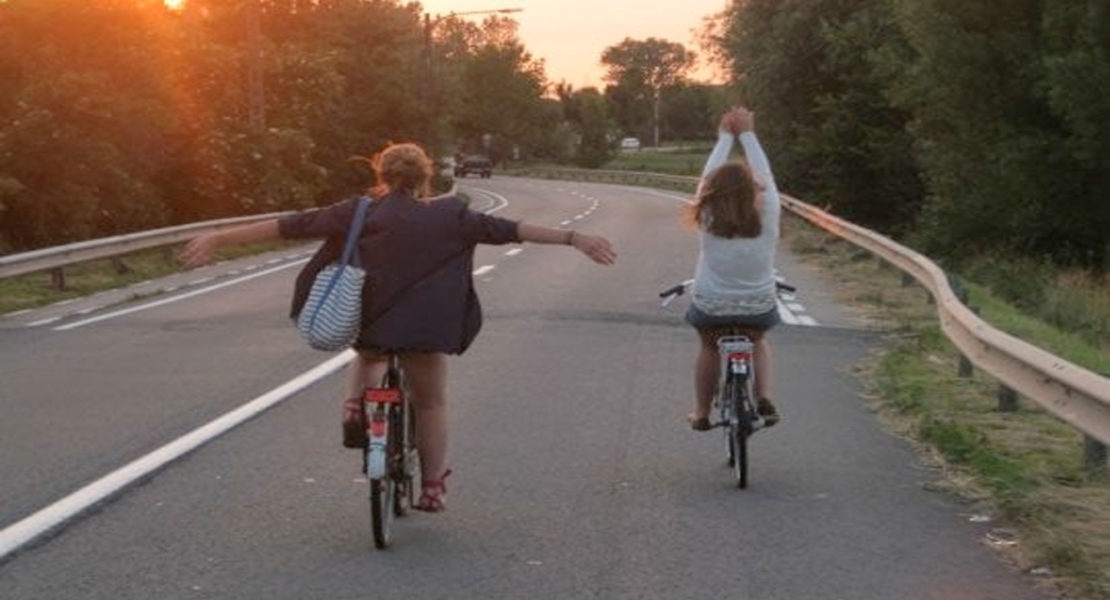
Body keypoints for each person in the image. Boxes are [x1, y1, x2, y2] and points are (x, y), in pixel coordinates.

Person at [180, 142, 616, 511]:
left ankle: (355, 406)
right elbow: (513, 230)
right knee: (430, 403)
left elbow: (287, 226)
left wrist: (218, 238)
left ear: (382, 174)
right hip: (426, 329)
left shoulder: (357, 212)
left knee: (367, 352)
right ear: (425, 176)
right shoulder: (453, 215)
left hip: (373, 323)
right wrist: (574, 238)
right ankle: (432, 488)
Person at [684, 107, 781, 431]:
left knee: (709, 346)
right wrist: (747, 134)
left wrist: (725, 137)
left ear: (713, 191)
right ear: (754, 190)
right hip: (758, 304)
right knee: (758, 340)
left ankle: (701, 412)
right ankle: (764, 396)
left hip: (711, 304)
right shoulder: (768, 213)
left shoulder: (707, 214)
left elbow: (707, 177)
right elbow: (765, 173)